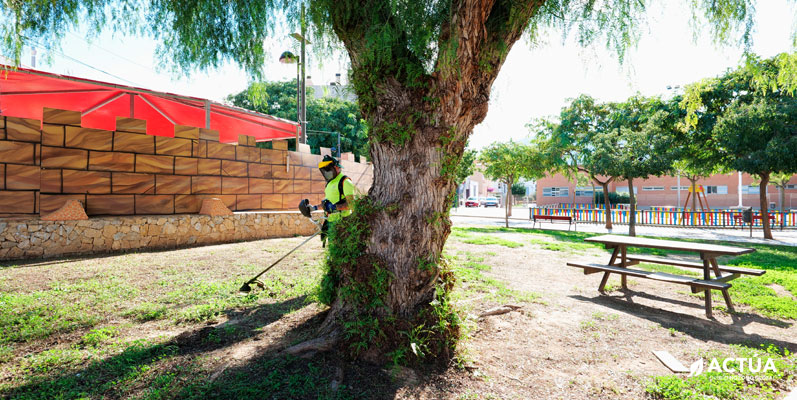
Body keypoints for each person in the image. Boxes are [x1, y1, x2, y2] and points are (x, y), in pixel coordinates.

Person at [303, 155, 356, 245]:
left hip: (343, 222)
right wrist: (313, 208)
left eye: (328, 169)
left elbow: (351, 205)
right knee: (332, 248)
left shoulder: (345, 182)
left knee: (341, 248)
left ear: (336, 167)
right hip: (330, 221)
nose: (327, 172)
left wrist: (334, 207)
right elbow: (327, 204)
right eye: (325, 169)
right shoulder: (329, 183)